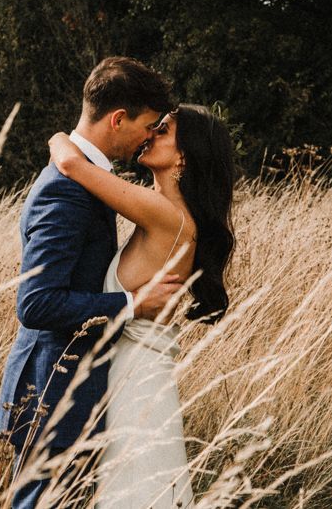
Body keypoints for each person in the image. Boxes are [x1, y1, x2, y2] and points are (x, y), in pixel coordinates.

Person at [0, 56, 180, 509]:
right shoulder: (65, 189)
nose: (149, 138)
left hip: (69, 392)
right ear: (118, 119)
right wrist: (133, 304)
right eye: (149, 125)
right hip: (52, 392)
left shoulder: (82, 175)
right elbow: (36, 303)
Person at [48, 103, 236, 508]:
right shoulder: (165, 211)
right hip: (137, 376)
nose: (150, 133)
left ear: (184, 155)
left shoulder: (167, 215)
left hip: (135, 383)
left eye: (163, 130)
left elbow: (70, 163)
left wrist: (58, 136)